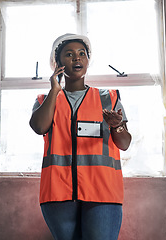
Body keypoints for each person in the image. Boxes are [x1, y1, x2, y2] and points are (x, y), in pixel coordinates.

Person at [29, 33, 132, 240]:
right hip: (58, 193)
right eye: (69, 54)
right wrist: (54, 90)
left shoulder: (108, 98)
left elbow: (125, 143)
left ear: (87, 61)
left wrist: (117, 126)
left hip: (103, 192)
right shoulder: (45, 100)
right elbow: (39, 127)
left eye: (82, 54)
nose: (77, 58)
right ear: (57, 63)